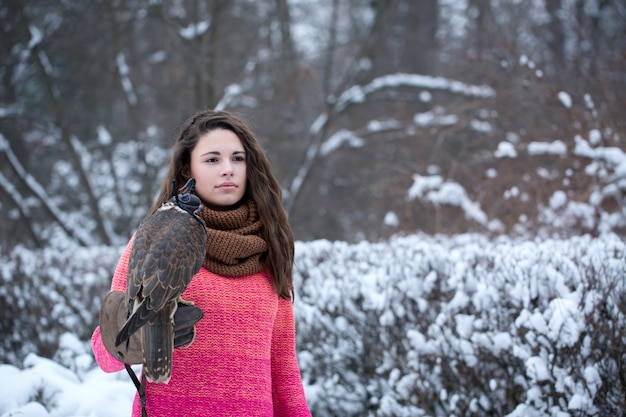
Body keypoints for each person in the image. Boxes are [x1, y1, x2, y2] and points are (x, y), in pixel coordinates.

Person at [91, 109, 312, 417]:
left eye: (238, 158)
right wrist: (138, 337)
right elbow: (104, 352)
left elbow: (284, 370)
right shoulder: (155, 237)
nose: (228, 169)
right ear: (186, 170)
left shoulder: (270, 249)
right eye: (212, 159)